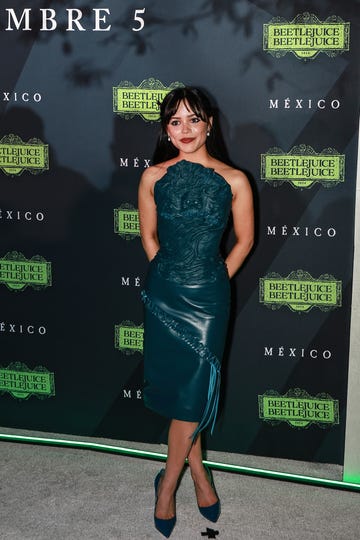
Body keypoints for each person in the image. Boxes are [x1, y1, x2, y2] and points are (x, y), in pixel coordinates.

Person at [138, 87, 254, 537]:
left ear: (210, 123)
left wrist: (213, 275)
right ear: (166, 129)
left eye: (193, 120)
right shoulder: (152, 176)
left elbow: (244, 241)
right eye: (174, 122)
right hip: (166, 293)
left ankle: (167, 486)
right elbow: (149, 235)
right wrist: (169, 273)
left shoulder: (234, 179)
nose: (184, 130)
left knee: (194, 390)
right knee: (182, 392)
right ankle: (199, 475)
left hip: (208, 298)